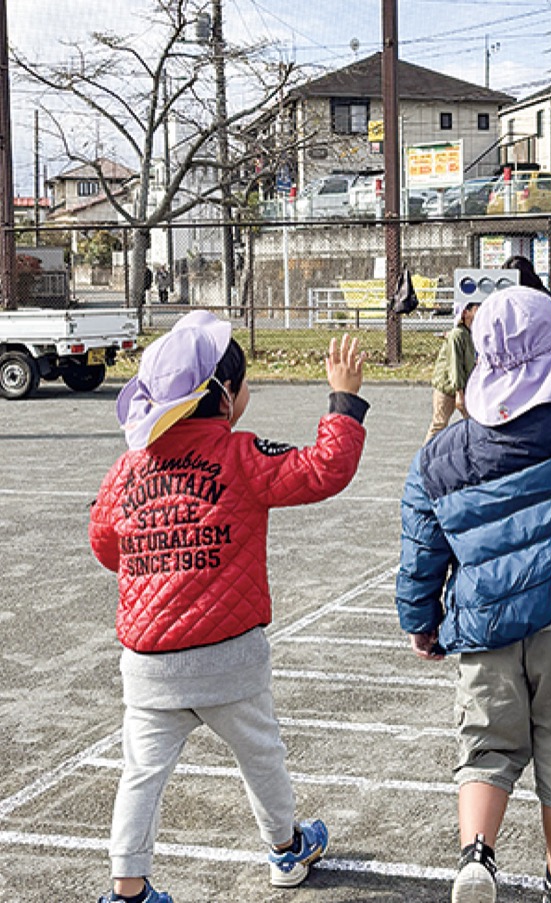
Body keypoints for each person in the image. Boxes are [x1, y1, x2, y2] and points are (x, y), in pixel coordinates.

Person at [395, 188, 551, 903]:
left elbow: (421, 548)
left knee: (485, 744)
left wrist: (419, 620)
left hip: (482, 625)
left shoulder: (441, 455)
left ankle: (477, 853)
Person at [89, 312, 370, 903]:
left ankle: (127, 887)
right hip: (227, 656)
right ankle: (286, 848)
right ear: (222, 396)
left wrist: (159, 558)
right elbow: (323, 469)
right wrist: (343, 403)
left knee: (140, 772)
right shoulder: (241, 456)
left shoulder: (126, 469)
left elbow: (106, 543)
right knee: (261, 755)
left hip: (148, 661)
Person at [425, 295, 479, 444]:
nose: (479, 310)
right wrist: (459, 393)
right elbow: (454, 364)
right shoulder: (457, 335)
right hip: (448, 387)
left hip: (462, 386)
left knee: (475, 423)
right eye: (475, 308)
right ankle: (423, 459)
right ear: (465, 312)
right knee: (439, 424)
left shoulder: (469, 333)